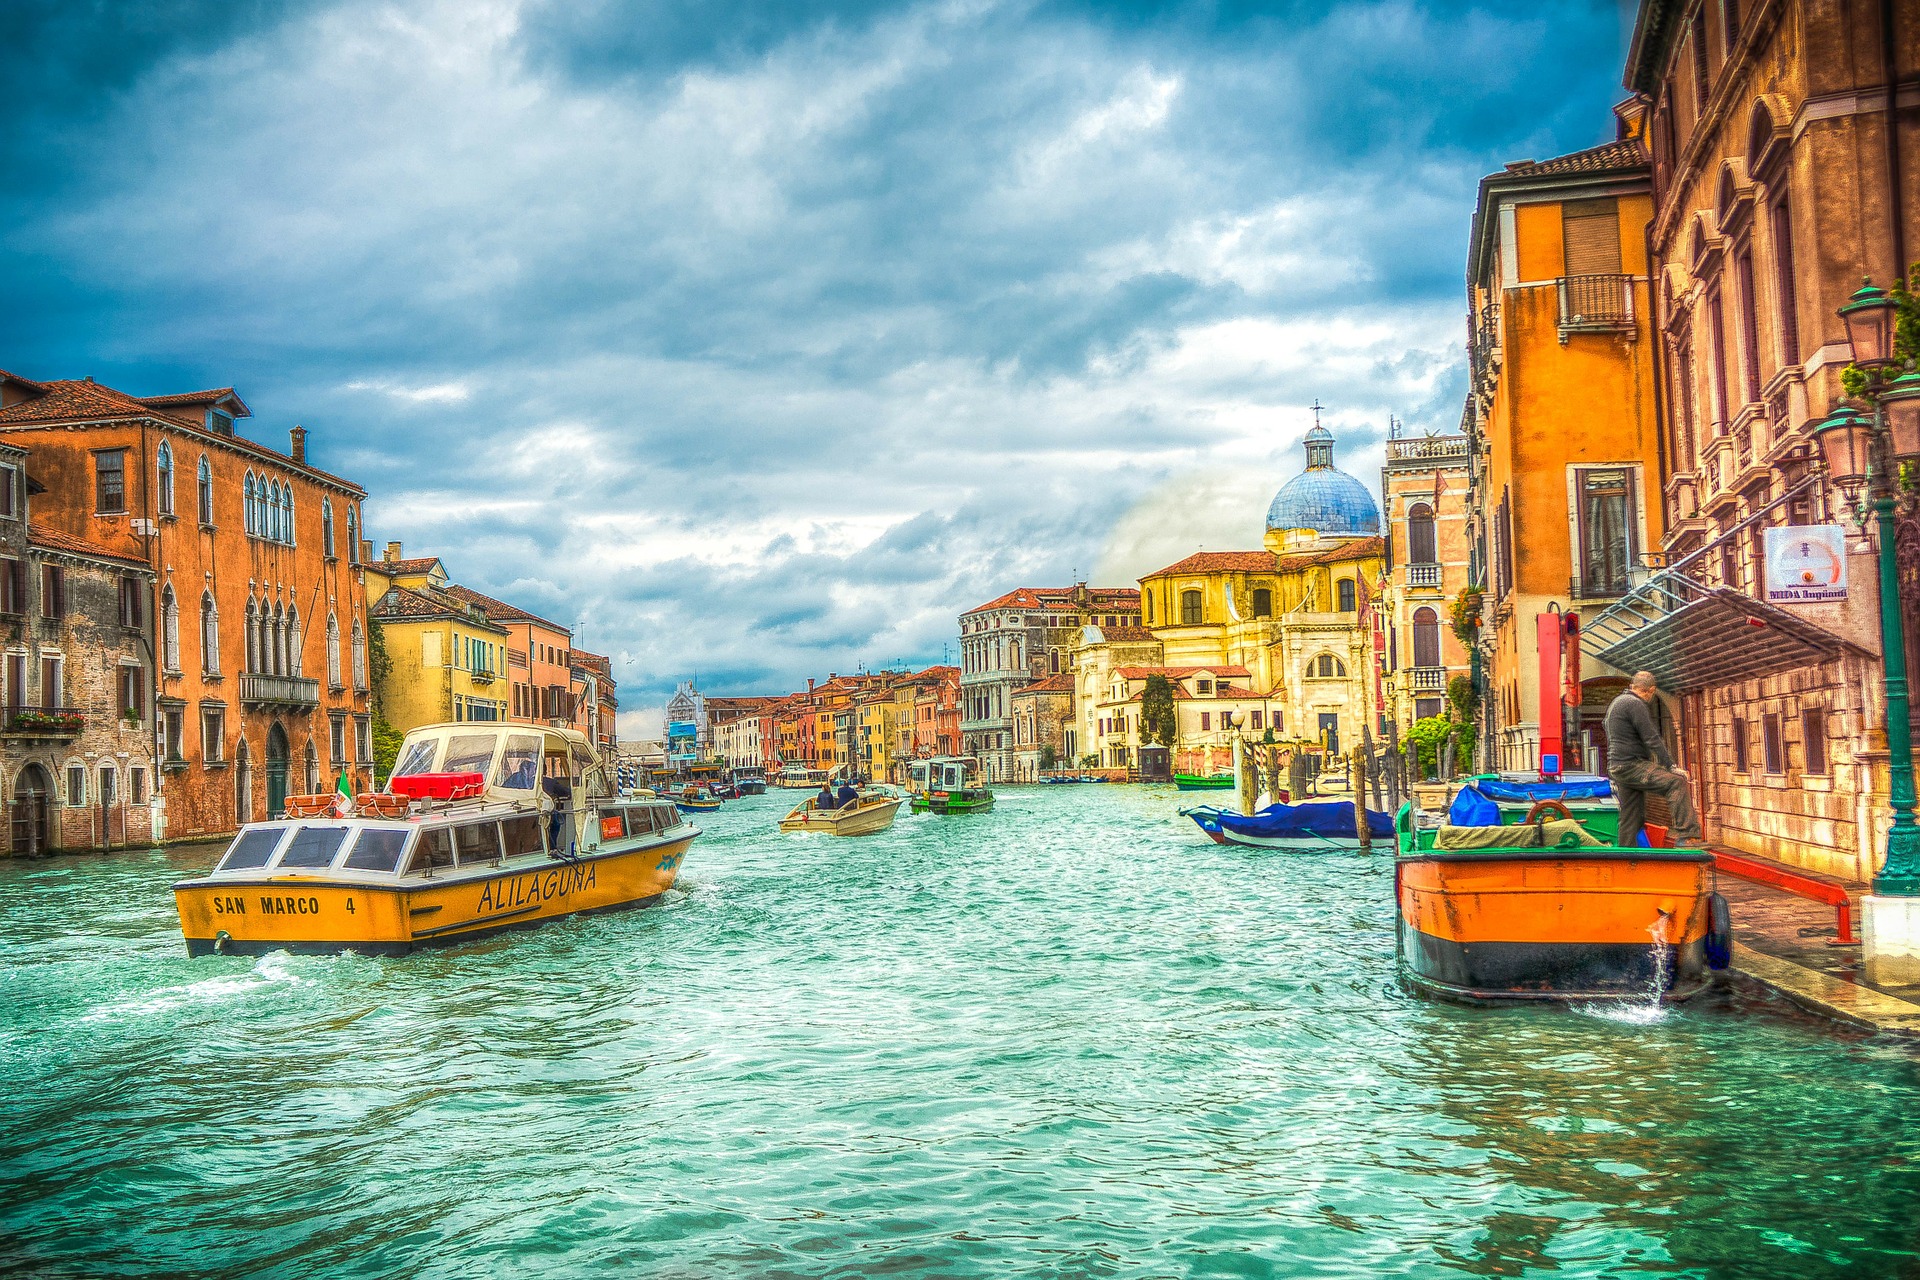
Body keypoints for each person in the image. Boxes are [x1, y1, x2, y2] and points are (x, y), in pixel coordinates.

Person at [1604, 671, 1704, 848]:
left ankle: (1626, 857)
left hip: (1617, 766)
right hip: (1631, 765)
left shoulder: (1617, 703)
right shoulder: (1635, 703)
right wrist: (1671, 766)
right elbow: (1651, 738)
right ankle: (1687, 836)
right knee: (1676, 782)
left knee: (1631, 816)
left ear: (1632, 686)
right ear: (1651, 690)